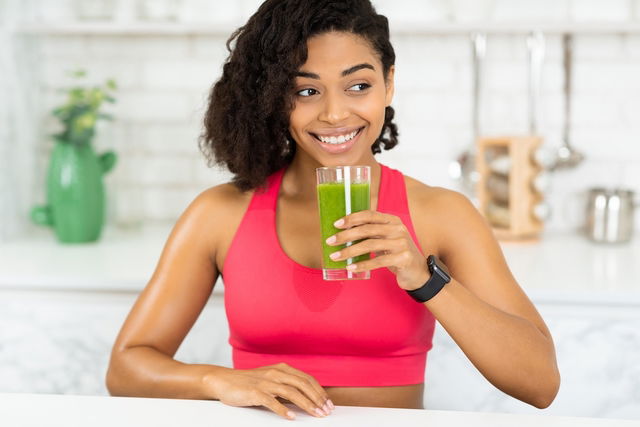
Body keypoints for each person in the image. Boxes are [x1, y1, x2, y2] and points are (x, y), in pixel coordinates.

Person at [106, 0, 560, 420]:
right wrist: (219, 379)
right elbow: (126, 369)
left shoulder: (441, 214)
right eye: (306, 91)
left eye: (358, 85)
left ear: (389, 85)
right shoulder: (220, 214)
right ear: (275, 98)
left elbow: (540, 384)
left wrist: (424, 278)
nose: (335, 114)